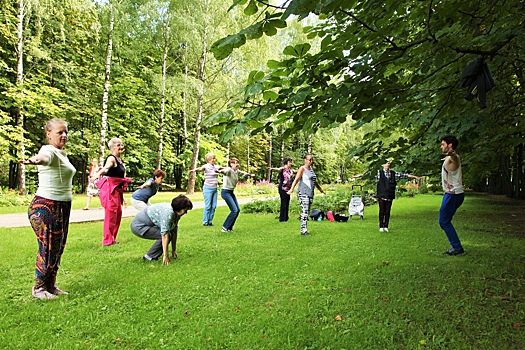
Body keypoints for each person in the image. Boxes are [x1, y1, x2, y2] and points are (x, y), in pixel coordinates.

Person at [19, 119, 76, 299]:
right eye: (60, 132)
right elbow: (43, 158)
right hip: (46, 206)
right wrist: (34, 160)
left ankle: (50, 285)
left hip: (61, 205)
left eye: (66, 132)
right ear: (49, 134)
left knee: (58, 247)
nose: (64, 135)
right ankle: (39, 288)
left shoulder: (62, 154)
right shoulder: (48, 150)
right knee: (48, 247)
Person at [355, 159, 421, 232]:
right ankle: (381, 226)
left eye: (389, 163)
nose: (388, 165)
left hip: (389, 195)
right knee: (382, 211)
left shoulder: (393, 173)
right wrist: (358, 176)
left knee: (387, 211)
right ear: (383, 165)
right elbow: (368, 175)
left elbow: (404, 175)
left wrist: (415, 177)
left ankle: (386, 226)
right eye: (386, 163)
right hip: (381, 194)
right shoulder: (379, 173)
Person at [130, 195, 193, 264]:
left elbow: (174, 231)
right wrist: (166, 256)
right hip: (139, 226)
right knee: (167, 235)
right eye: (185, 210)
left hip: (146, 224)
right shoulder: (168, 214)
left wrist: (173, 250)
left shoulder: (176, 214)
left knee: (170, 234)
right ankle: (149, 256)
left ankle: (152, 255)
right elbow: (165, 235)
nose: (186, 212)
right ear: (179, 208)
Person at [93, 138, 132, 246]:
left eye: (122, 144)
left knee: (118, 214)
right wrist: (98, 174)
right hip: (110, 189)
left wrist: (123, 198)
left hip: (117, 191)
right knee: (110, 215)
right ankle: (107, 241)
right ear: (112, 147)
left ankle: (112, 239)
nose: (121, 147)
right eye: (119, 145)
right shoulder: (111, 158)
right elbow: (106, 168)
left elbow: (121, 180)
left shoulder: (120, 161)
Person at [439, 135, 465, 256]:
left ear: (450, 145)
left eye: (443, 144)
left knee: (444, 221)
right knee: (444, 221)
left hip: (453, 194)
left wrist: (452, 154)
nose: (441, 146)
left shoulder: (454, 158)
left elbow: (455, 159)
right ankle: (456, 247)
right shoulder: (448, 158)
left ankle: (457, 248)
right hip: (453, 194)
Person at [287, 154, 325, 236]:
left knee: (307, 212)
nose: (311, 161)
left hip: (310, 193)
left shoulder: (311, 169)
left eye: (312, 160)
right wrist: (291, 189)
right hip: (303, 193)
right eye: (309, 160)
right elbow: (296, 179)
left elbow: (315, 181)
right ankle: (303, 230)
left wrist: (320, 189)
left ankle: (304, 228)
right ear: (305, 160)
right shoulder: (302, 169)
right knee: (305, 211)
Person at [218, 158, 254, 232]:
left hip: (231, 192)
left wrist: (250, 175)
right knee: (234, 210)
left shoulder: (236, 171)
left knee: (237, 210)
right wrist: (220, 171)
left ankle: (230, 228)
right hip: (225, 192)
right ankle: (225, 227)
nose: (237, 164)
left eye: (238, 163)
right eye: (235, 163)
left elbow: (243, 173)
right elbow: (225, 171)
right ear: (231, 164)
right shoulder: (229, 170)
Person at [189, 152, 223, 226]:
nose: (213, 160)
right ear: (208, 159)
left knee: (213, 206)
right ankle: (205, 222)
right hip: (208, 188)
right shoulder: (206, 166)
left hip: (215, 189)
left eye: (214, 158)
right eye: (212, 158)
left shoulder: (216, 167)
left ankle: (210, 221)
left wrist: (231, 168)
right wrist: (194, 170)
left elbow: (224, 169)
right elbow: (201, 168)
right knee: (208, 206)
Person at [268, 157, 295, 222]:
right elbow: (278, 169)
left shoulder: (290, 171)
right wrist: (272, 169)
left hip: (288, 189)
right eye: (290, 162)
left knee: (287, 202)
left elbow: (297, 171)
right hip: (282, 188)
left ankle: (286, 217)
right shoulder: (283, 169)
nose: (291, 163)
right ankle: (282, 218)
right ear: (286, 162)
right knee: (284, 203)